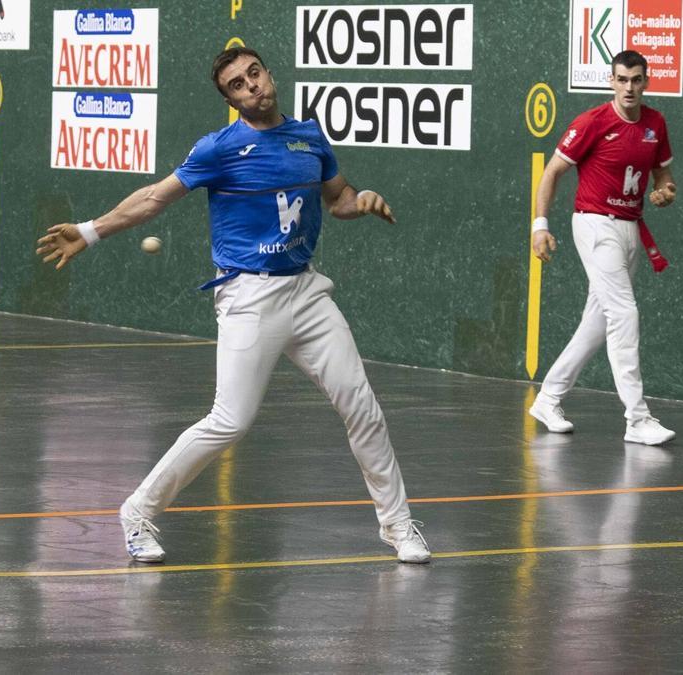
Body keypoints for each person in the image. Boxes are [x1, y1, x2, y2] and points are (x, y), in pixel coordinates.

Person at [35, 47, 431, 564]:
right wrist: (88, 232)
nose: (253, 87)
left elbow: (338, 199)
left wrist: (363, 201)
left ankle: (398, 525)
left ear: (268, 73)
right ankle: (137, 510)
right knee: (230, 420)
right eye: (238, 85)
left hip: (306, 291)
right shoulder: (220, 148)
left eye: (255, 74)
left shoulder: (310, 137)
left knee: (362, 406)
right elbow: (154, 197)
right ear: (230, 100)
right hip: (248, 295)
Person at [528, 50, 678, 446]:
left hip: (631, 229)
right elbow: (553, 172)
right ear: (611, 81)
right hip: (595, 226)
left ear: (647, 81)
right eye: (622, 80)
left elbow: (662, 173)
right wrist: (540, 226)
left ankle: (548, 397)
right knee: (625, 314)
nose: (630, 87)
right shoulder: (592, 122)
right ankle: (637, 418)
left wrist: (665, 191)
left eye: (637, 80)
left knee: (598, 324)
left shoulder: (655, 123)